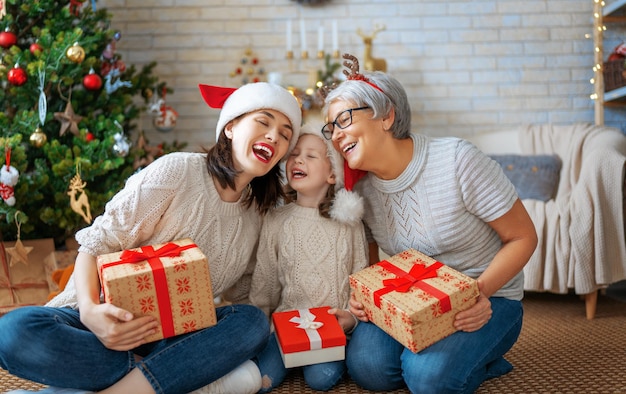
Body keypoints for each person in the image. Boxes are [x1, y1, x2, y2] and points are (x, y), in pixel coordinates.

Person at [0, 81, 302, 394]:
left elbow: (243, 296)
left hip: (172, 337)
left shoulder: (259, 214)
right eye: (264, 122)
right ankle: (172, 381)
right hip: (101, 327)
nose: (273, 137)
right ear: (230, 127)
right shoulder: (178, 171)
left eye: (284, 134)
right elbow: (95, 243)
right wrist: (91, 313)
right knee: (12, 332)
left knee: (251, 322)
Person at [319, 54, 538, 394]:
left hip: (485, 299)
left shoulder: (456, 159)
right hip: (411, 299)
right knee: (368, 370)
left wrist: (479, 294)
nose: (336, 136)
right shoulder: (362, 190)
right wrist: (369, 297)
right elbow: (377, 259)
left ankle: (473, 357)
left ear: (387, 116)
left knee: (426, 379)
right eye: (331, 127)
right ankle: (458, 357)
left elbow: (523, 237)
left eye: (344, 120)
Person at [248, 123, 369, 392]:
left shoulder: (348, 224)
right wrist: (260, 326)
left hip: (330, 331)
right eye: (294, 154)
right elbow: (265, 280)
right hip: (285, 327)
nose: (298, 159)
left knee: (320, 379)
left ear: (332, 175)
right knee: (261, 380)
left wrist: (351, 318)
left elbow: (360, 280)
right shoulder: (277, 220)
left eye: (311, 156)